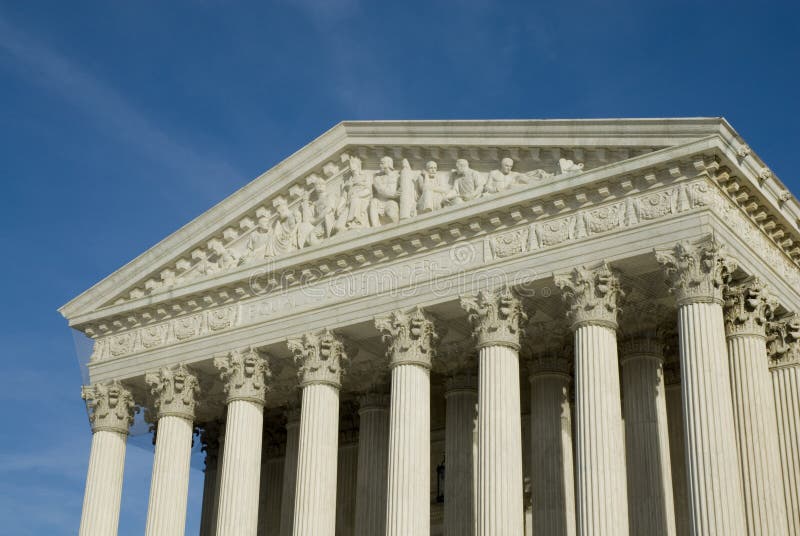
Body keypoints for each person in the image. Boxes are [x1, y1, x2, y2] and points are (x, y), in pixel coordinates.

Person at [369, 156, 400, 226]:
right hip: (380, 201)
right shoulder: (377, 178)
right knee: (373, 201)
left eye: (382, 163)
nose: (380, 165)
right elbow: (380, 190)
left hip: (391, 201)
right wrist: (393, 194)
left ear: (389, 164)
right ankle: (375, 229)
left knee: (392, 214)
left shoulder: (397, 176)